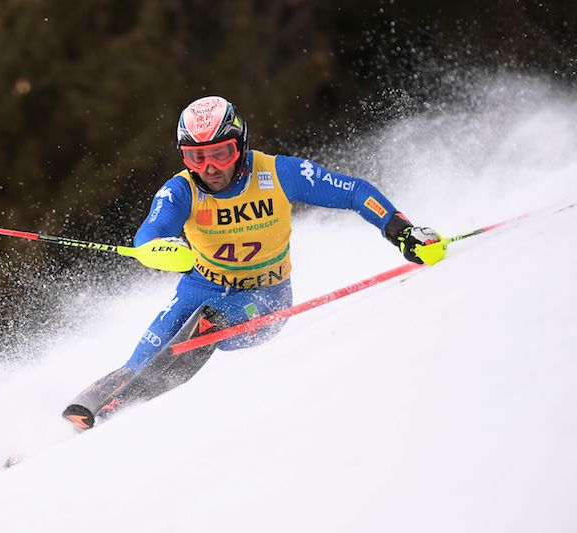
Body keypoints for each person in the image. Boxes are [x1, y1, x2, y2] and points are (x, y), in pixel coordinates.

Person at [62, 96, 442, 430]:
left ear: (240, 145)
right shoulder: (181, 189)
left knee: (208, 322)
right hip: (199, 287)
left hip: (265, 298)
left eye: (220, 153)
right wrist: (160, 249)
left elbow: (354, 192)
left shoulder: (277, 174)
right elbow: (149, 233)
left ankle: (123, 412)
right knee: (141, 358)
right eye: (196, 157)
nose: (209, 167)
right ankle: (71, 427)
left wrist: (401, 231)